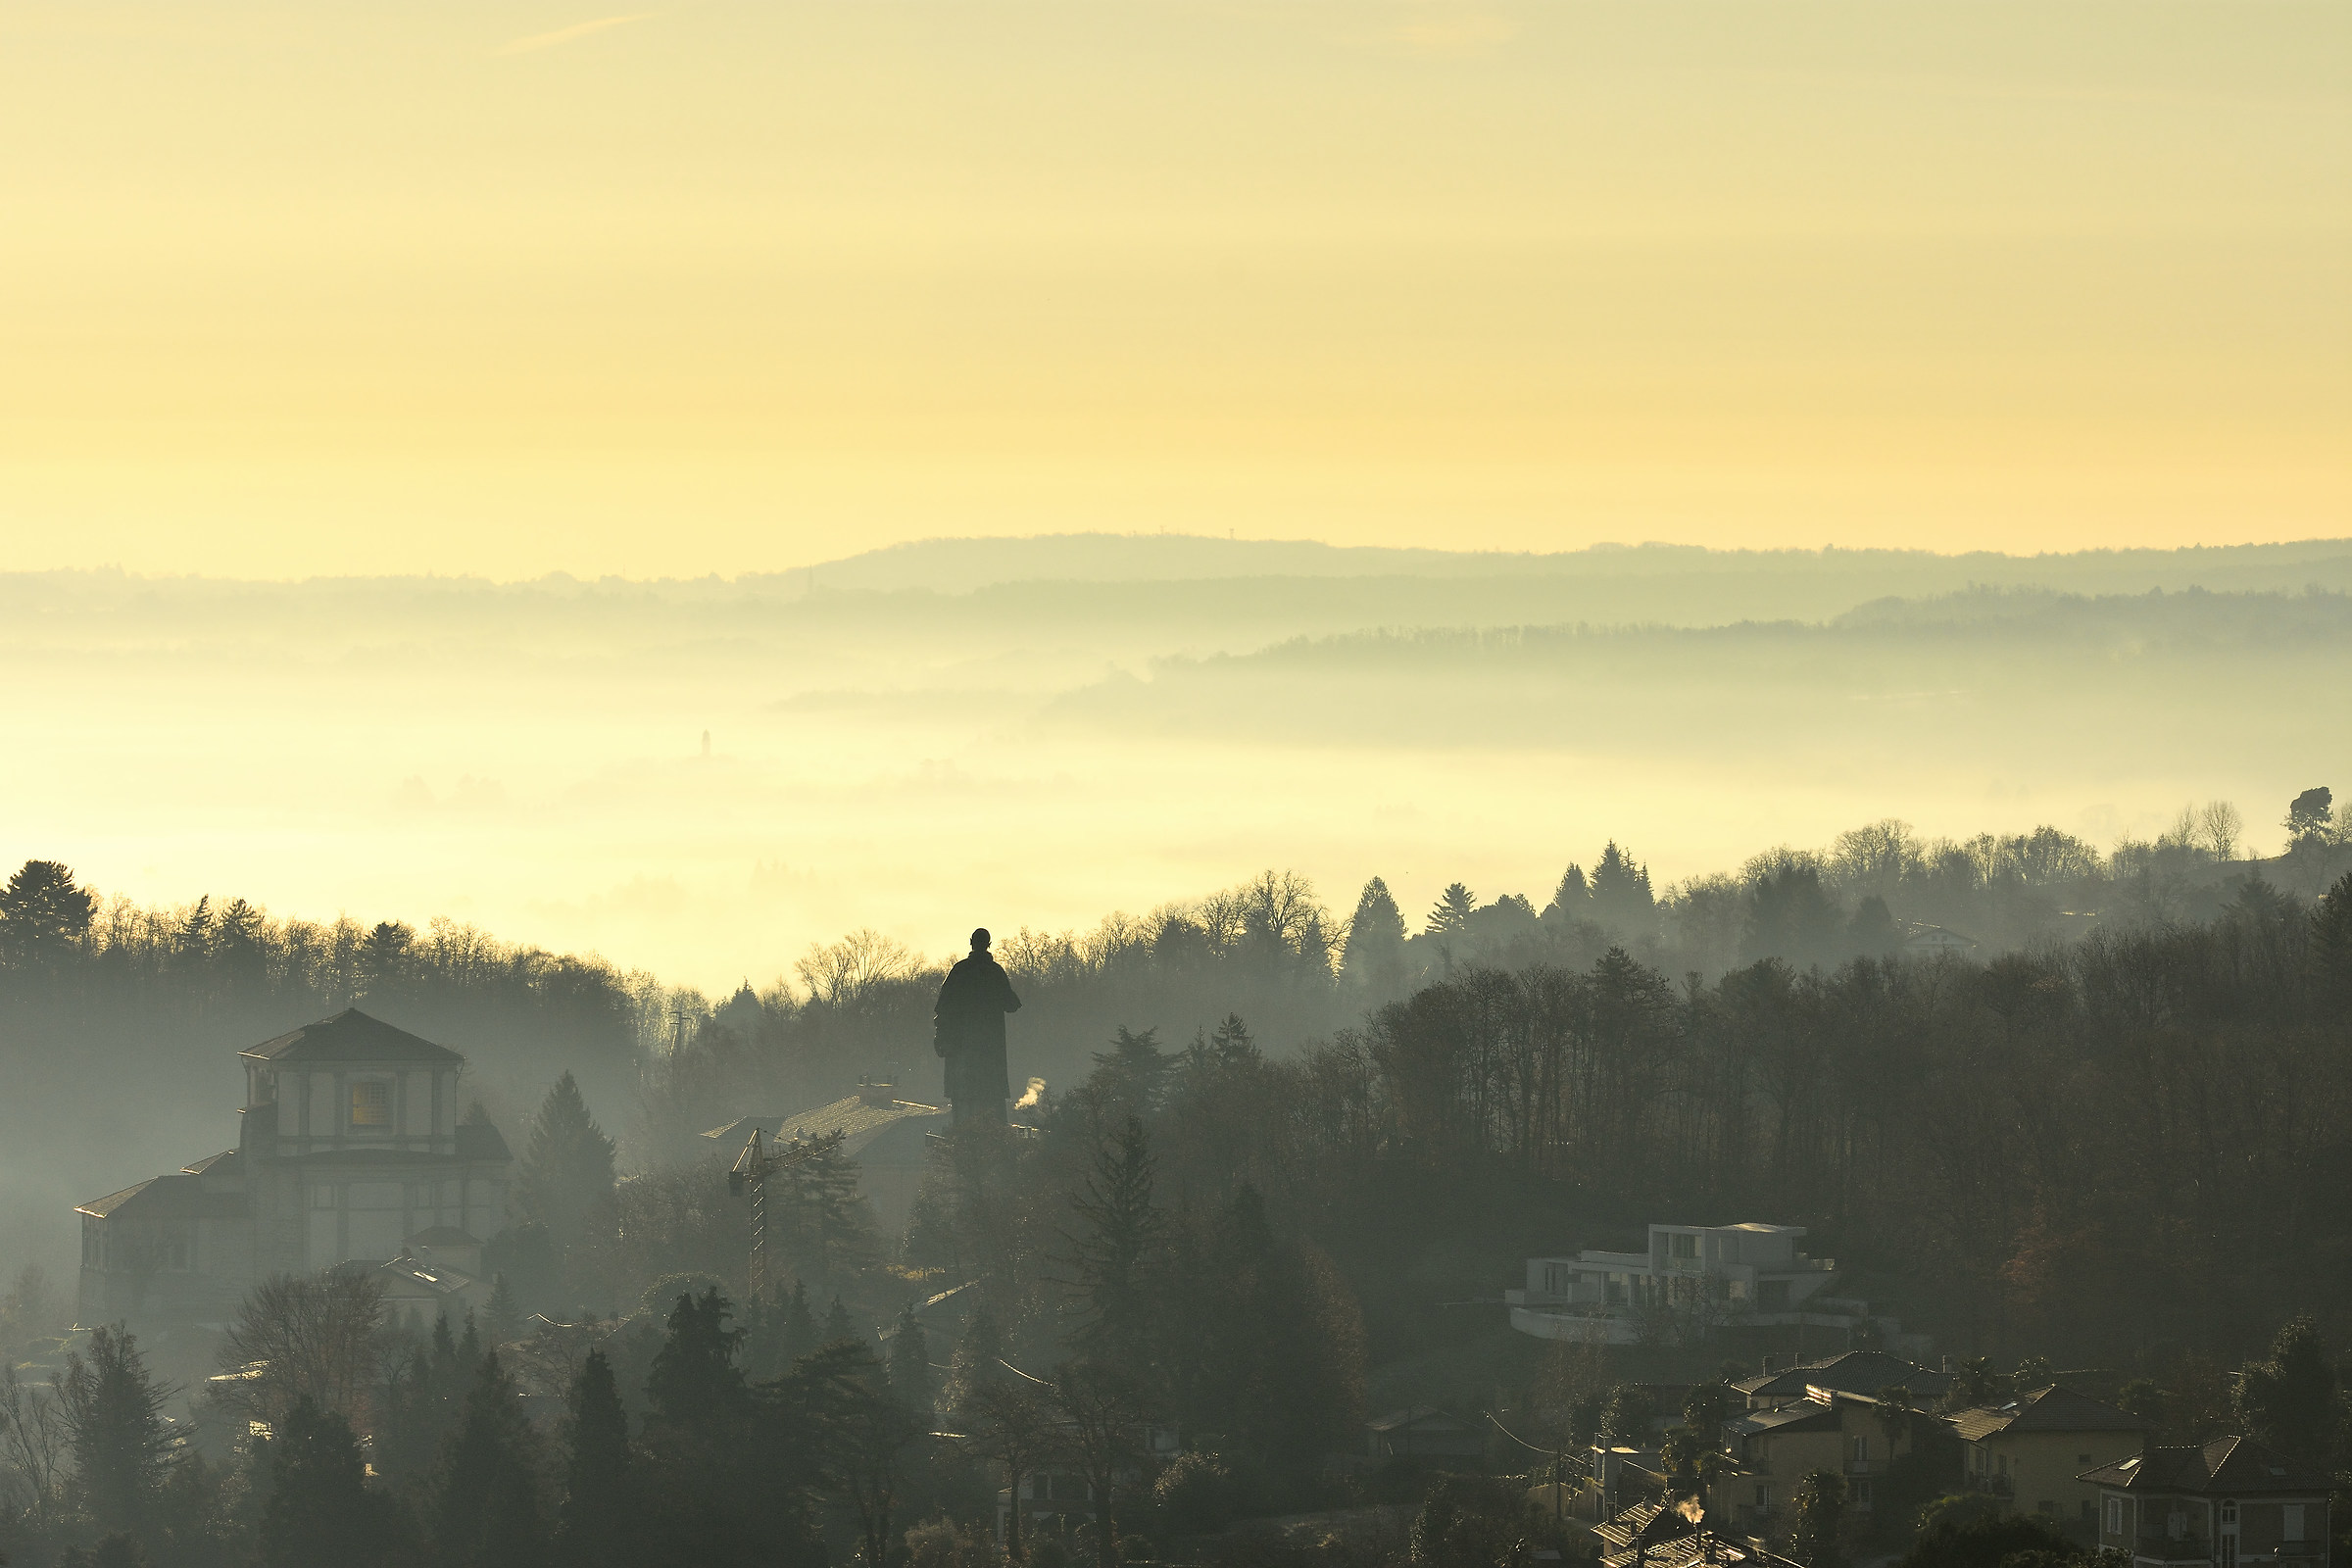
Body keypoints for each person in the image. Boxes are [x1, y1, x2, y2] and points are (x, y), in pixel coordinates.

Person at [933, 928, 1022, 1125]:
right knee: (991, 1104)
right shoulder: (995, 972)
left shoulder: (960, 970)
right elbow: (1012, 1004)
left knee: (962, 1104)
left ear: (971, 942)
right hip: (990, 1053)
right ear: (989, 945)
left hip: (961, 1051)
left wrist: (941, 1035)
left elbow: (942, 1007)